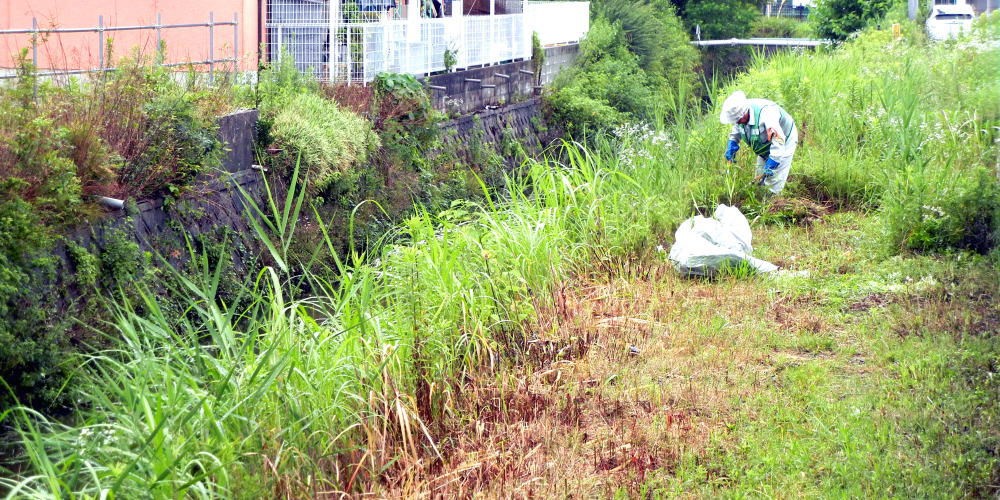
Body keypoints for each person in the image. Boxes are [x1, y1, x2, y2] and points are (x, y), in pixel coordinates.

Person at [720, 90, 798, 194]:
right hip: (765, 145)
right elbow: (737, 128)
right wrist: (732, 143)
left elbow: (779, 140)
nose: (737, 123)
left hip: (784, 141)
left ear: (744, 114)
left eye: (738, 120)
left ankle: (772, 203)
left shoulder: (767, 113)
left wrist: (773, 162)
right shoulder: (739, 114)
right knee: (760, 180)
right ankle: (761, 197)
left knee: (773, 182)